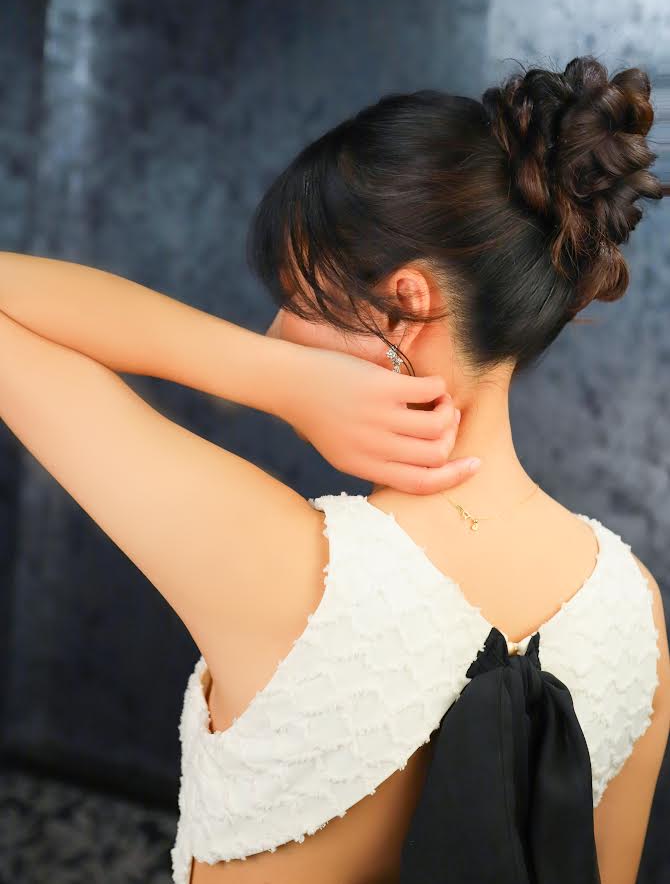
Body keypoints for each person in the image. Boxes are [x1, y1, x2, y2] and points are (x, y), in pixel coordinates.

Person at [0, 53, 668, 884]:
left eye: (296, 296)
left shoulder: (287, 567)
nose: (275, 332)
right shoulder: (633, 607)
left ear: (406, 302)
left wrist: (266, 376)